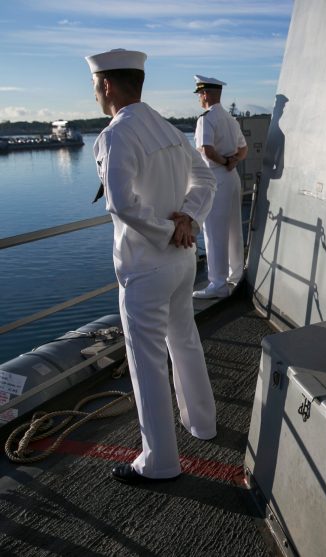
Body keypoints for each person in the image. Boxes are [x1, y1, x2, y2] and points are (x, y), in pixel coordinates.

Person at [85, 48, 218, 484]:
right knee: (185, 341)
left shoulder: (115, 135)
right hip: (181, 262)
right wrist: (188, 220)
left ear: (106, 84)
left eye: (95, 84)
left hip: (145, 267)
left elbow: (123, 204)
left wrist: (169, 229)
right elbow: (206, 179)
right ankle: (202, 423)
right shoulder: (169, 127)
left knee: (146, 363)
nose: (95, 91)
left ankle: (159, 461)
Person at [192, 75, 248, 298]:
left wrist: (225, 161)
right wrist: (233, 161)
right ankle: (236, 274)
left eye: (199, 94)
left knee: (214, 231)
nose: (199, 99)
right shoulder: (230, 119)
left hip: (215, 178)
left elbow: (205, 149)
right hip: (232, 178)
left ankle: (218, 284)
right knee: (235, 227)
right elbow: (243, 148)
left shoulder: (206, 119)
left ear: (205, 94)